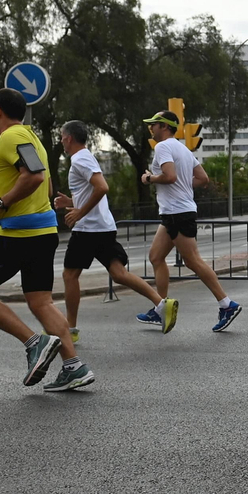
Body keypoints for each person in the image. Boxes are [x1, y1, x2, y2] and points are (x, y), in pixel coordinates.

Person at [0, 88, 91, 392]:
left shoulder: (12, 136)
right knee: (41, 302)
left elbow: (34, 177)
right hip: (42, 232)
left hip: (17, 232)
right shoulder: (31, 138)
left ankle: (34, 343)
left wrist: (1, 202)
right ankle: (73, 367)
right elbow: (43, 186)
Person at [52, 120, 177, 341]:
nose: (61, 141)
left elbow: (102, 187)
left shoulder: (80, 159)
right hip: (102, 227)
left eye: (62, 137)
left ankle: (69, 329)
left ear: (69, 138)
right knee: (119, 274)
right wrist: (71, 202)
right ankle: (161, 304)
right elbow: (92, 191)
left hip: (88, 229)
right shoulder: (85, 157)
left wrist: (79, 213)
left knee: (69, 275)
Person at [140, 109, 242, 333]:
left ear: (164, 126)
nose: (151, 128)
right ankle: (160, 308)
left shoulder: (163, 147)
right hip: (173, 212)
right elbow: (202, 178)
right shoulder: (184, 149)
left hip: (177, 212)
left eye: (154, 124)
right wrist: (184, 186)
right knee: (156, 256)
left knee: (193, 261)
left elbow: (170, 176)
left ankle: (227, 304)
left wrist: (149, 178)